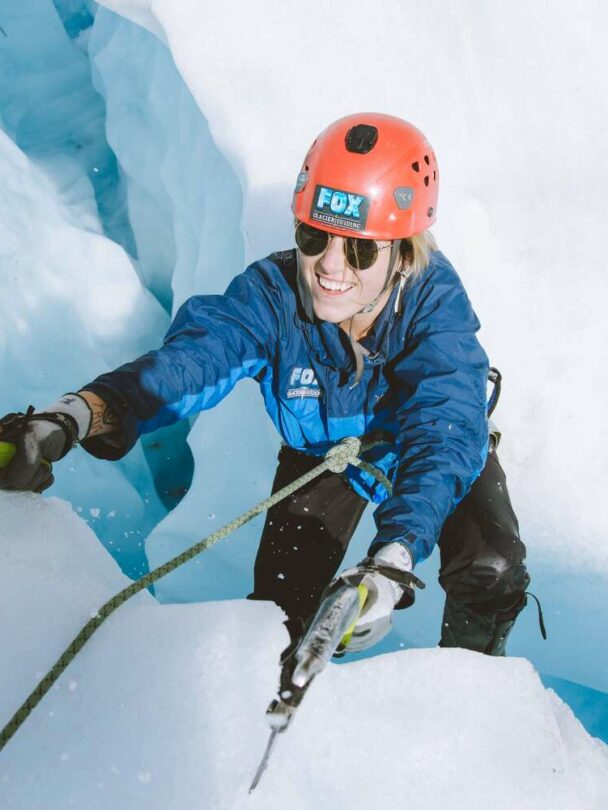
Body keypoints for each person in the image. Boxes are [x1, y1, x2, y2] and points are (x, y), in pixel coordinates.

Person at [0, 113, 531, 656]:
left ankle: (472, 698)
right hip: (324, 455)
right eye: (313, 235)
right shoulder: (272, 298)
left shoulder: (433, 304)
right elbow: (188, 365)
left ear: (402, 252)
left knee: (490, 566)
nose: (329, 265)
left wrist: (392, 560)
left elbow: (444, 427)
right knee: (277, 621)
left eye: (360, 249)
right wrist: (74, 415)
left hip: (429, 446)